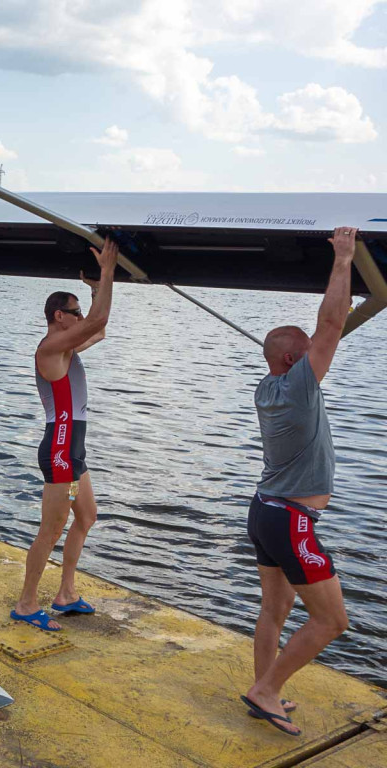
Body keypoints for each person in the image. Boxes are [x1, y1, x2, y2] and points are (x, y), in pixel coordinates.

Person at [240, 226, 356, 737]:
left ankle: (265, 688)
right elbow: (331, 321)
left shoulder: (268, 386)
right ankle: (265, 690)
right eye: (309, 353)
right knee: (332, 621)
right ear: (293, 361)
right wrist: (344, 257)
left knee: (276, 607)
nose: (320, 357)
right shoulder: (298, 387)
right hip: (291, 519)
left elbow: (324, 332)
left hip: (265, 510)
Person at [11, 239, 118, 631]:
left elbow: (99, 330)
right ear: (60, 316)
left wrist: (94, 289)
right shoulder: (51, 347)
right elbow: (98, 322)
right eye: (75, 312)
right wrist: (107, 273)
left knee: (86, 515)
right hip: (59, 449)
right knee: (51, 529)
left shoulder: (67, 348)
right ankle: (25, 604)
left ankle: (66, 593)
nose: (81, 317)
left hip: (73, 450)